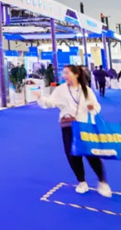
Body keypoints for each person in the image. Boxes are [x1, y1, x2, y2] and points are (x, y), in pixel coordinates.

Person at [38, 64, 111, 197]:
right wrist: (40, 98)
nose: (64, 75)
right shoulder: (60, 90)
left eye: (67, 73)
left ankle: (102, 181)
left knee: (91, 154)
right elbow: (51, 103)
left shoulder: (86, 90)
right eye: (64, 73)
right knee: (72, 154)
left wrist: (92, 108)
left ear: (76, 74)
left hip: (85, 126)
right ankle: (82, 182)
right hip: (68, 126)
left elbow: (97, 107)